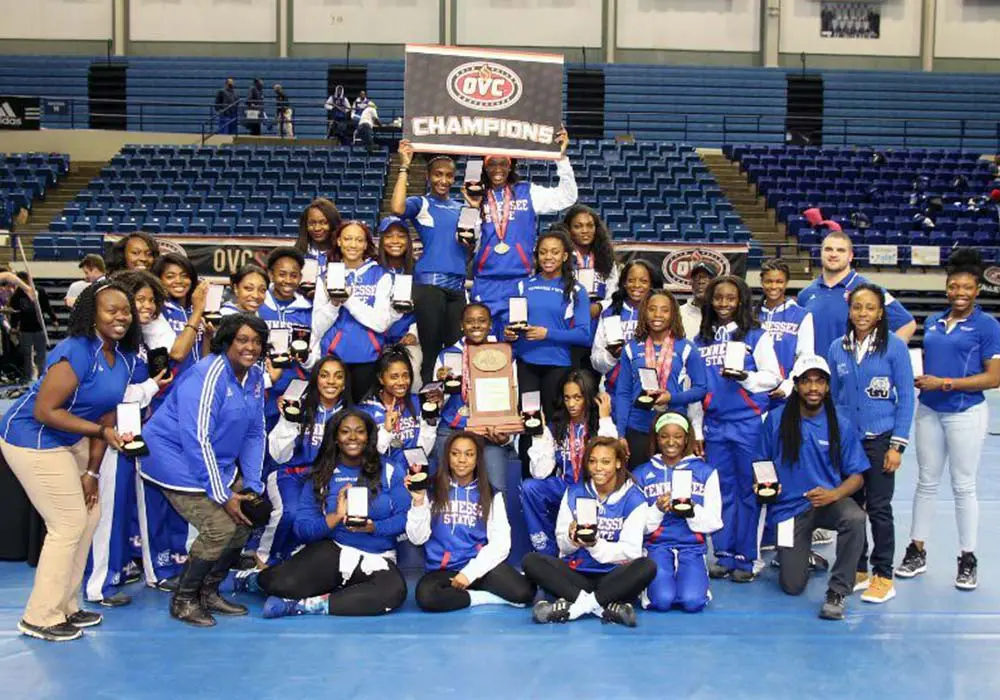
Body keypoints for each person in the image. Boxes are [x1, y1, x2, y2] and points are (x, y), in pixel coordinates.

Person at [0, 281, 141, 641]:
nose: (120, 316)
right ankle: (40, 616)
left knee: (89, 515)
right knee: (67, 523)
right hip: (30, 434)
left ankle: (66, 604)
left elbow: (108, 415)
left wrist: (93, 471)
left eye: (125, 310)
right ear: (92, 314)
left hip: (76, 436)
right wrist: (99, 433)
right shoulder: (75, 350)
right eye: (111, 309)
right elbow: (45, 411)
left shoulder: (124, 356)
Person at [138, 313, 268, 627]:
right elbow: (197, 438)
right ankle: (183, 600)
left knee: (248, 513)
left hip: (211, 459)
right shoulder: (208, 374)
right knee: (220, 526)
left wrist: (250, 482)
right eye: (242, 339)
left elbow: (254, 431)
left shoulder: (255, 377)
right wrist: (223, 494)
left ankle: (209, 592)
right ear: (227, 341)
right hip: (173, 457)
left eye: (256, 341)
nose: (250, 347)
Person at [897, 248, 1000, 590]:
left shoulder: (987, 326)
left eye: (966, 287)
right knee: (926, 483)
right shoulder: (933, 322)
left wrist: (946, 383)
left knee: (963, 486)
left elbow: (993, 378)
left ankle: (967, 557)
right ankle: (917, 550)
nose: (959, 292)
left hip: (965, 412)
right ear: (947, 288)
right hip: (929, 409)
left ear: (977, 290)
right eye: (954, 286)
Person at [248, 410, 409, 618]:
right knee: (281, 583)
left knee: (393, 593)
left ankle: (304, 606)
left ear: (369, 437)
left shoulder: (390, 470)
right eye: (345, 432)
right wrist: (335, 517)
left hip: (377, 556)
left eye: (360, 432)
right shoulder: (322, 474)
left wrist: (374, 527)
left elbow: (406, 518)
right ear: (335, 437)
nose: (352, 437)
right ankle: (249, 580)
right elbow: (302, 529)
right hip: (335, 550)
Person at [756, 355, 870, 621]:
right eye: (806, 381)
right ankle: (804, 556)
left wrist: (834, 493)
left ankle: (838, 590)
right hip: (788, 509)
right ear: (796, 385)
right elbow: (761, 463)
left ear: (828, 387)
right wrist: (763, 484)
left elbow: (857, 477)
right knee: (792, 586)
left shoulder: (839, 423)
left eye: (820, 382)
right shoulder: (775, 420)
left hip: (828, 502)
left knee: (855, 518)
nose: (813, 388)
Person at [84, 271, 173, 606]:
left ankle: (133, 572)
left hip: (135, 434)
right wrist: (151, 388)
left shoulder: (138, 343)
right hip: (108, 437)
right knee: (107, 512)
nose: (146, 306)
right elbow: (114, 395)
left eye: (152, 300)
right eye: (139, 300)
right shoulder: (105, 346)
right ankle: (98, 585)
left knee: (134, 507)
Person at [826, 283, 914, 604]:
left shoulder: (894, 347)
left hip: (881, 441)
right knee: (852, 508)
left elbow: (905, 397)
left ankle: (883, 574)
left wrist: (897, 446)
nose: (862, 313)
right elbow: (833, 398)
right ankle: (858, 568)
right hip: (849, 444)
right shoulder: (838, 348)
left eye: (869, 308)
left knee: (878, 508)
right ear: (849, 311)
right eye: (857, 307)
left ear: (880, 313)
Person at [691, 275, 781, 583]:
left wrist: (746, 378)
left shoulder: (756, 335)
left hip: (748, 423)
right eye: (718, 298)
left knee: (749, 491)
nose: (724, 304)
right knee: (722, 492)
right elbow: (695, 387)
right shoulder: (700, 339)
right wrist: (697, 430)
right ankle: (724, 554)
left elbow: (773, 377)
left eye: (731, 298)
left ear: (741, 300)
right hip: (714, 425)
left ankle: (748, 557)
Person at [522, 437, 656, 627]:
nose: (598, 468)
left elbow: (631, 551)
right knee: (531, 561)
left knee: (646, 566)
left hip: (613, 576)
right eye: (592, 461)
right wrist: (572, 539)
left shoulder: (634, 498)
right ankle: (605, 608)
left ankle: (573, 609)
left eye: (605, 462)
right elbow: (563, 546)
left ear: (618, 463)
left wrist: (595, 545)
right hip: (578, 574)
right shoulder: (574, 492)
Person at [407, 431, 536, 612]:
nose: (462, 460)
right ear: (447, 457)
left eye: (469, 454)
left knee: (525, 593)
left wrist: (469, 574)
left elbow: (501, 544)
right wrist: (419, 502)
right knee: (426, 596)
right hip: (443, 570)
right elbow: (417, 539)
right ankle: (481, 597)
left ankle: (469, 592)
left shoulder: (491, 494)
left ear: (477, 459)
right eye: (455, 453)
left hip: (478, 566)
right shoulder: (431, 489)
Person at [470, 129, 577, 337]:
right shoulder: (476, 196)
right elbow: (469, 239)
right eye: (492, 164)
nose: (498, 169)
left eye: (503, 163)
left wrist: (561, 158)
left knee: (516, 340)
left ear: (511, 166)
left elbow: (567, 197)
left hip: (520, 281)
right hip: (486, 281)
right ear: (485, 166)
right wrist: (473, 208)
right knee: (485, 342)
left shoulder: (527, 192)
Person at [391, 143, 470, 384]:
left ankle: (449, 405)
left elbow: (470, 246)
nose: (443, 180)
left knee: (455, 349)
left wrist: (475, 208)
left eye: (448, 175)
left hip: (457, 289)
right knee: (431, 349)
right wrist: (404, 166)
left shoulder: (463, 208)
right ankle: (427, 405)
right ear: (428, 176)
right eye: (438, 174)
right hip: (429, 287)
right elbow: (397, 208)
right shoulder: (422, 203)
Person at [262, 355, 351, 566]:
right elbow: (278, 454)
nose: (331, 381)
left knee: (329, 517)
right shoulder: (298, 406)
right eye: (325, 375)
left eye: (338, 377)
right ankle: (264, 559)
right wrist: (290, 420)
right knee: (290, 513)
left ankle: (300, 560)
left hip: (326, 477)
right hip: (289, 474)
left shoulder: (350, 415)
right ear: (315, 379)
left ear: (345, 383)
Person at [633, 412, 721, 613]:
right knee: (662, 601)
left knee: (692, 603)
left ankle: (699, 578)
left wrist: (691, 510)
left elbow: (715, 522)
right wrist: (657, 509)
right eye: (664, 436)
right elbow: (637, 526)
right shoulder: (641, 474)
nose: (671, 442)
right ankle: (651, 586)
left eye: (678, 436)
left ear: (687, 438)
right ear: (656, 438)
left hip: (692, 547)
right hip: (656, 547)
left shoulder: (705, 472)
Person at [522, 371, 617, 556]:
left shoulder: (599, 425)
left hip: (592, 489)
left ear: (588, 398)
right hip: (565, 486)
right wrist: (539, 434)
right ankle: (548, 551)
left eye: (577, 397)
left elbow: (611, 459)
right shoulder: (557, 426)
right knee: (529, 487)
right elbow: (540, 473)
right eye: (567, 398)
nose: (571, 404)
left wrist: (605, 418)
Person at [503, 226, 590, 421]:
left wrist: (547, 333)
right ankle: (525, 453)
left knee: (555, 421)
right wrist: (508, 333)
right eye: (543, 252)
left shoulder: (576, 290)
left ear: (565, 256)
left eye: (554, 252)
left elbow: (584, 335)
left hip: (558, 365)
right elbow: (511, 323)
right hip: (527, 364)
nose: (548, 257)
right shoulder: (523, 285)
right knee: (528, 420)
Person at [614, 288, 708, 468]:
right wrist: (621, 433)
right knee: (639, 483)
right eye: (652, 309)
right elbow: (624, 393)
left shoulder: (686, 348)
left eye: (665, 310)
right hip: (638, 427)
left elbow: (701, 388)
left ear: (673, 314)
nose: (658, 315)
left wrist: (672, 398)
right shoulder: (631, 348)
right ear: (644, 312)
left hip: (673, 428)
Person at [311, 221, 399, 403]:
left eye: (359, 240)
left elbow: (381, 323)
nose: (353, 244)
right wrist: (334, 304)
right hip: (333, 360)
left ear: (366, 244)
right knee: (333, 418)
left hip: (367, 358)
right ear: (338, 242)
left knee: (362, 417)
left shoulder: (381, 275)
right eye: (348, 239)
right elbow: (317, 327)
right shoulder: (326, 276)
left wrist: (348, 299)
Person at [433, 302, 517, 493]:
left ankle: (496, 523)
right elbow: (437, 404)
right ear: (461, 325)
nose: (476, 325)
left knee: (497, 486)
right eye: (470, 321)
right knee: (443, 484)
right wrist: (440, 386)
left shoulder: (504, 354)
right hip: (453, 428)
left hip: (489, 431)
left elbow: (512, 395)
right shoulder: (447, 355)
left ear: (490, 324)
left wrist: (504, 431)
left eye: (482, 321)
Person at [797, 231, 916, 358]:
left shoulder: (869, 290)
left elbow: (907, 325)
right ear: (821, 253)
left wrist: (882, 359)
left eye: (841, 250)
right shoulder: (805, 294)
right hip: (816, 374)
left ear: (850, 256)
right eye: (828, 249)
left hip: (853, 375)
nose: (833, 254)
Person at [358, 345, 437, 475]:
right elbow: (368, 456)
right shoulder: (367, 411)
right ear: (381, 379)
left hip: (413, 474)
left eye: (405, 376)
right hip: (381, 477)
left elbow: (424, 448)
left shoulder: (418, 402)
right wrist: (387, 430)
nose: (401, 382)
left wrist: (431, 421)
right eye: (394, 377)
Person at [563, 204, 619, 383]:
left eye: (589, 225)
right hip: (569, 324)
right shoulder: (562, 256)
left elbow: (614, 294)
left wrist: (599, 306)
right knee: (568, 379)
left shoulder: (606, 257)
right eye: (578, 226)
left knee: (591, 381)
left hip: (597, 322)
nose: (585, 231)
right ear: (569, 229)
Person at [591, 259, 661, 401]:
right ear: (623, 283)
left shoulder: (660, 313)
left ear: (651, 284)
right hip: (616, 391)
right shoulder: (611, 313)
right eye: (631, 280)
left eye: (643, 281)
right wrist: (611, 356)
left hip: (653, 391)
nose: (636, 285)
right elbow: (596, 361)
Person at [259, 247, 314, 428]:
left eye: (294, 275)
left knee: (287, 444)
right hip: (262, 386)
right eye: (282, 274)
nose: (288, 281)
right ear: (271, 274)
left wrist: (305, 358)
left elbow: (315, 352)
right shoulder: (258, 305)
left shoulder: (308, 310)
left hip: (295, 386)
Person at [758, 258, 814, 410]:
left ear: (786, 282)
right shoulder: (751, 315)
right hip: (754, 393)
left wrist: (788, 386)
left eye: (779, 281)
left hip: (786, 395)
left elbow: (806, 357)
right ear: (762, 282)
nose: (774, 286)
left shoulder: (802, 315)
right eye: (769, 281)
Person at [376, 215, 422, 391]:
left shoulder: (419, 270)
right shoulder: (372, 268)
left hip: (407, 340)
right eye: (389, 236)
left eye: (401, 235)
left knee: (413, 379)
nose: (395, 241)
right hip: (377, 339)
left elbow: (427, 308)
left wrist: (414, 333)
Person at [10, 271, 57, 381]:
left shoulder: (39, 291)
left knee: (41, 354)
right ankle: (27, 376)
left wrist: (53, 319)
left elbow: (46, 306)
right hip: (25, 329)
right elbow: (15, 312)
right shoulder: (17, 294)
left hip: (39, 328)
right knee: (27, 355)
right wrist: (13, 325)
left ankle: (42, 377)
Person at [294, 198, 342, 271]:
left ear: (333, 223)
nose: (317, 228)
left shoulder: (344, 254)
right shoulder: (295, 255)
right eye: (312, 223)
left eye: (323, 222)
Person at [679, 261, 716, 341]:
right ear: (691, 283)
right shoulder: (678, 313)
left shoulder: (721, 313)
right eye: (696, 278)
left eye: (706, 277)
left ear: (715, 283)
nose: (700, 282)